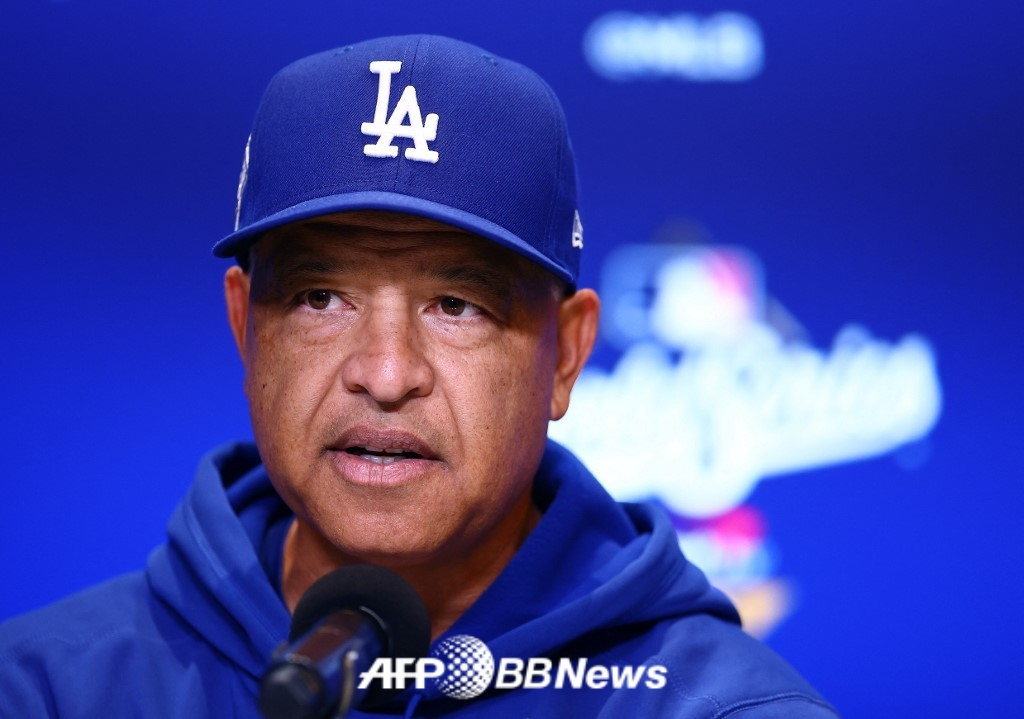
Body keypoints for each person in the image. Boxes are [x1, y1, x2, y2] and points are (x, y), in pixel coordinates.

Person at [0, 34, 839, 718]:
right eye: (321, 297)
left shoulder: (721, 710)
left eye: (457, 305)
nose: (385, 373)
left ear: (567, 355)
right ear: (243, 328)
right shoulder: (44, 691)